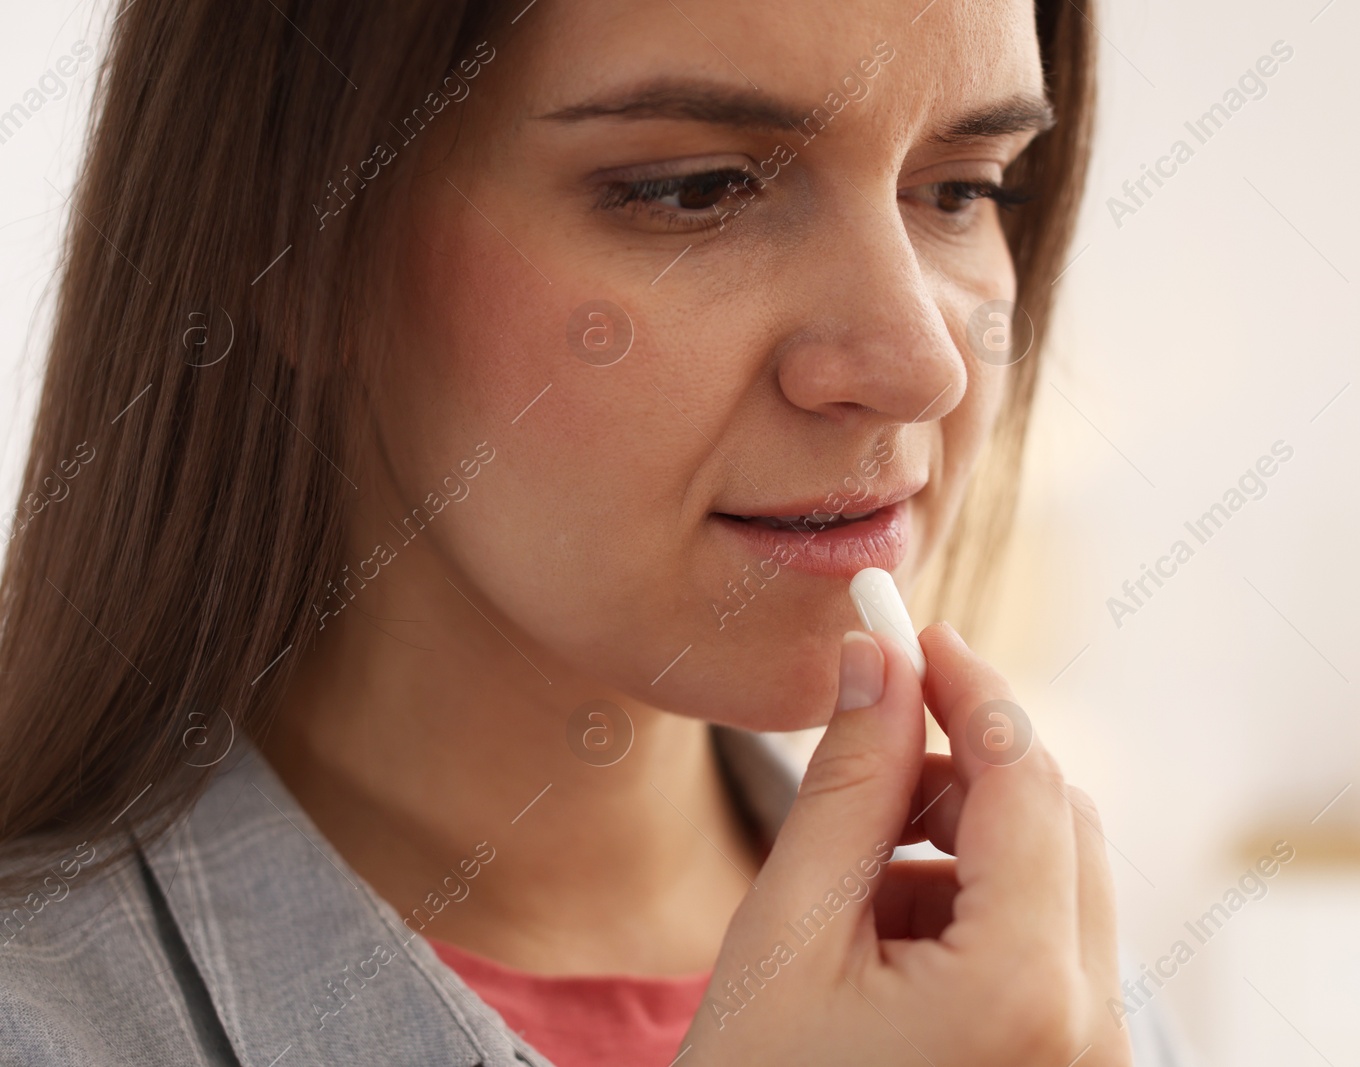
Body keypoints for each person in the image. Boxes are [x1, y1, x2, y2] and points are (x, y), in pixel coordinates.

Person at [0, 1, 1187, 1063]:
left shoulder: (1043, 1005)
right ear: (297, 244)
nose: (922, 364)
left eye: (961, 189)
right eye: (697, 187)